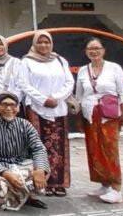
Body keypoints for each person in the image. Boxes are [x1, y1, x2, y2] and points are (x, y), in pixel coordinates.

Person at [18, 31, 73, 197]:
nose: (44, 45)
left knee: (59, 147)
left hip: (58, 109)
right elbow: (23, 84)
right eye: (40, 42)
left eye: (46, 42)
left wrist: (56, 98)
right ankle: (43, 181)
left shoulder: (60, 60)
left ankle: (60, 183)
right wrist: (43, 99)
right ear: (35, 44)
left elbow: (69, 82)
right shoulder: (27, 61)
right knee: (39, 145)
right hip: (36, 109)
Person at [76, 37, 123, 204]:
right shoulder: (83, 71)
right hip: (89, 116)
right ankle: (104, 185)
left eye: (97, 48)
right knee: (94, 151)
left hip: (109, 117)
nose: (94, 51)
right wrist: (78, 117)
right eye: (90, 48)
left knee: (110, 151)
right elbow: (79, 95)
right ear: (86, 52)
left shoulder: (114, 68)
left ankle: (116, 189)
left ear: (103, 50)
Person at [0, 92, 50, 211]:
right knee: (3, 188)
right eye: (4, 104)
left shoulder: (26, 125)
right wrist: (6, 174)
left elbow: (39, 148)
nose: (8, 108)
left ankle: (27, 196)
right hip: (1, 167)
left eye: (12, 105)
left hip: (23, 165)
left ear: (18, 108)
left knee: (43, 168)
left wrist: (39, 169)